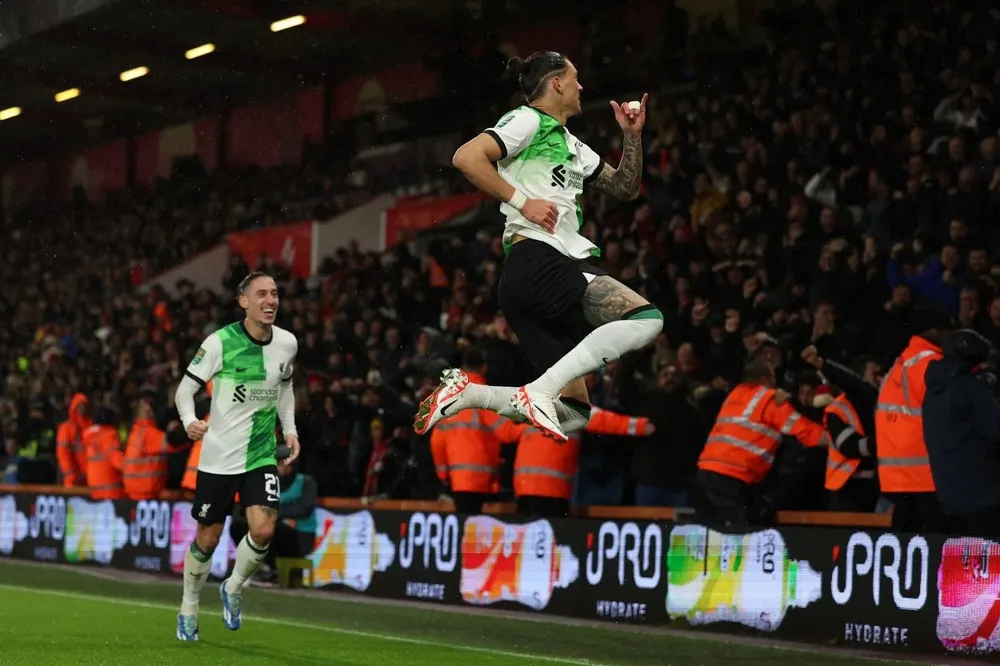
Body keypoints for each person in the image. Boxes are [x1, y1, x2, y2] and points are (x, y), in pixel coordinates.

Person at [414, 50, 662, 442]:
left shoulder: (572, 144)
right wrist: (521, 201)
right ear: (556, 83)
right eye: (575, 77)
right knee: (648, 320)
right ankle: (541, 391)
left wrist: (632, 136)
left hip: (528, 281)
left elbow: (625, 188)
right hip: (541, 259)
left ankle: (471, 393)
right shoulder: (528, 120)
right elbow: (466, 157)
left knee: (574, 413)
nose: (582, 86)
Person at [173, 271, 300, 641]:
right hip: (217, 459)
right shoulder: (219, 343)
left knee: (263, 529)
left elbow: (287, 388)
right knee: (208, 540)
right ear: (243, 301)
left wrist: (290, 430)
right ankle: (189, 606)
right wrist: (189, 420)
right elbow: (185, 390)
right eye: (261, 294)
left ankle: (232, 588)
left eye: (275, 294)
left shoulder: (287, 343)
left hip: (261, 455)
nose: (270, 300)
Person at [693, 360, 829, 525]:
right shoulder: (770, 399)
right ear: (766, 379)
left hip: (704, 475)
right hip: (732, 478)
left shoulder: (734, 395)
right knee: (740, 539)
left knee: (706, 539)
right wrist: (836, 436)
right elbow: (811, 434)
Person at [923, 329, 1000, 536]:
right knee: (991, 561)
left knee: (964, 562)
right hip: (984, 494)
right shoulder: (967, 388)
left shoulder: (933, 391)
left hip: (949, 495)